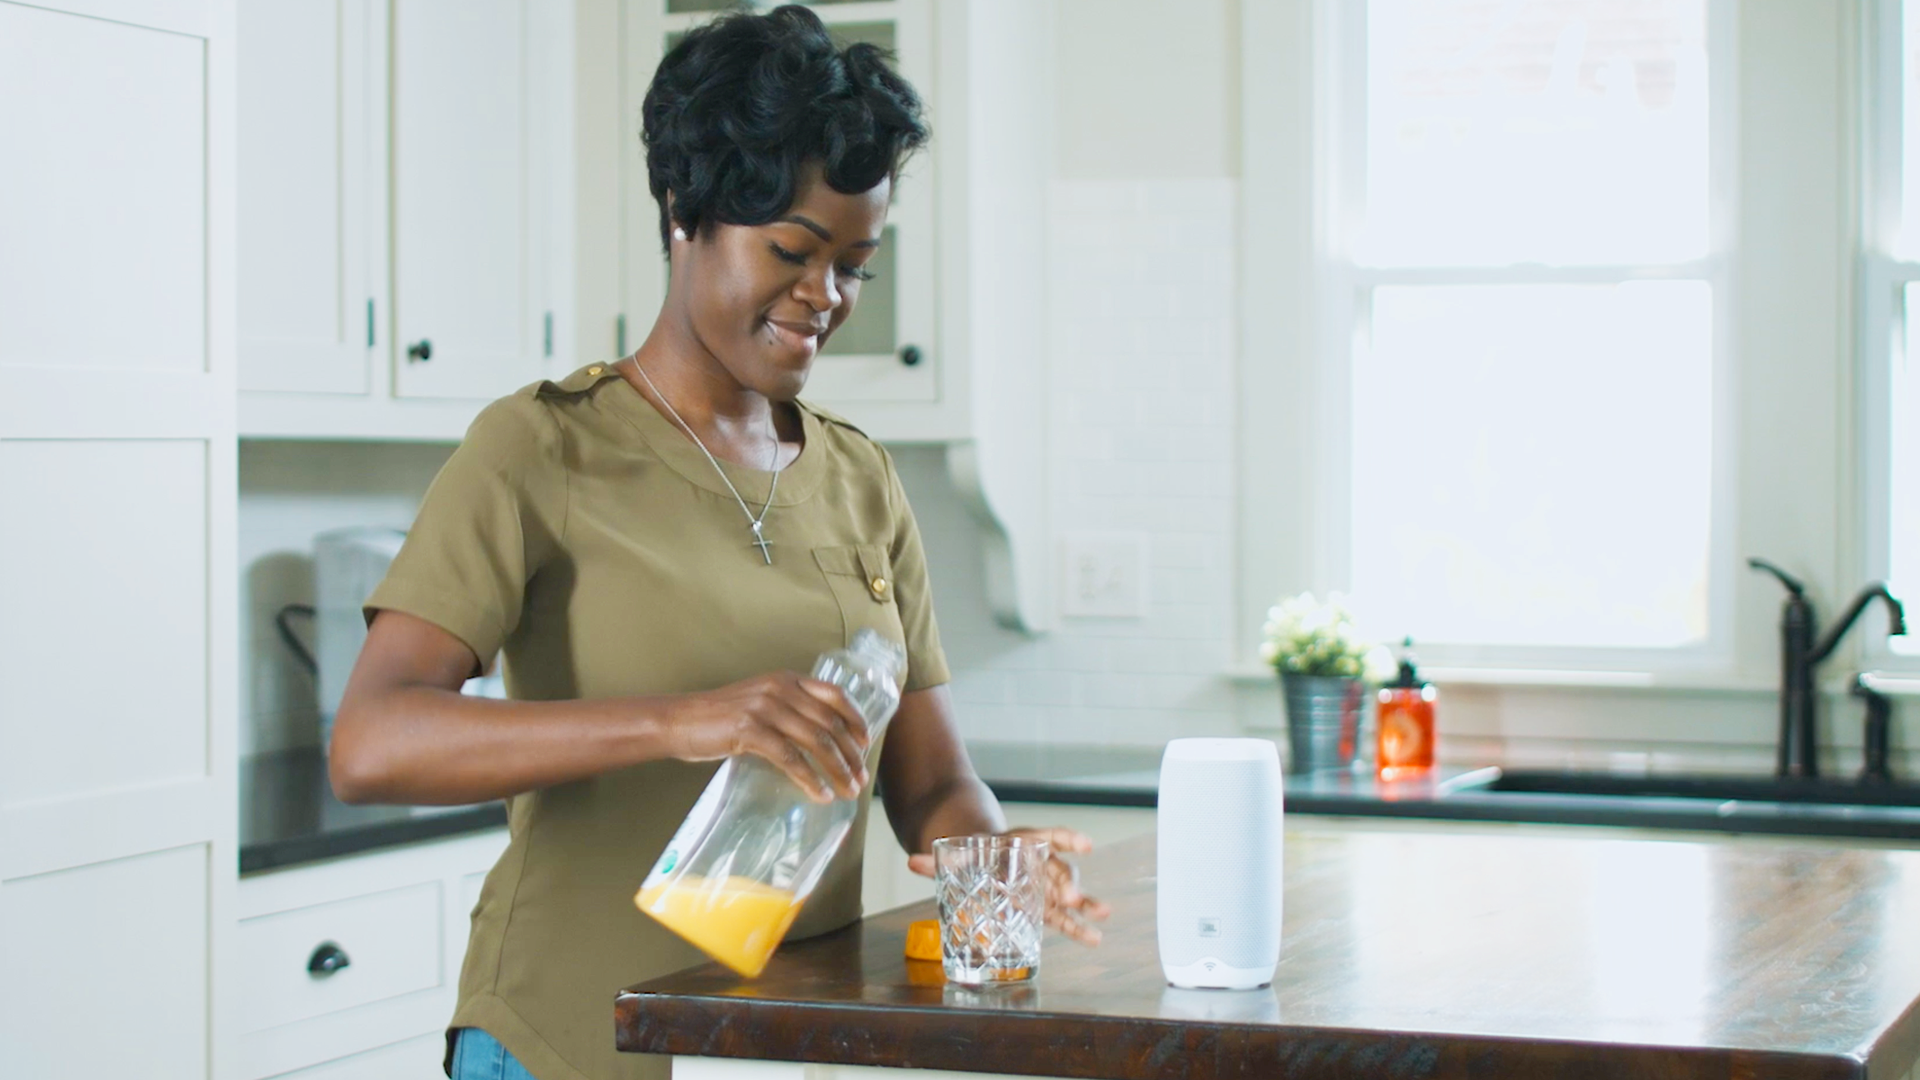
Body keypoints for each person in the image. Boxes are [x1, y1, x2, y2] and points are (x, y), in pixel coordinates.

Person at [328, 7, 1109, 1080]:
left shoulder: (862, 479)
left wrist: (990, 860)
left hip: (778, 1052)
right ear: (682, 210)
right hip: (568, 1043)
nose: (824, 297)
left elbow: (930, 787)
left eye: (854, 265)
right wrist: (681, 720)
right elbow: (370, 743)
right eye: (791, 250)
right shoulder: (542, 448)